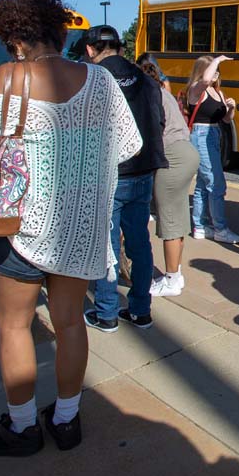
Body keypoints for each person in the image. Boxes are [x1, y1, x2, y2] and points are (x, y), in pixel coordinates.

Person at [0, 0, 141, 456]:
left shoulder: (9, 76)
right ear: (60, 33)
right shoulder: (100, 80)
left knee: (14, 327)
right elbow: (128, 145)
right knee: (69, 325)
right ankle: (66, 420)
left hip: (19, 226)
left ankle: (22, 428)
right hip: (81, 227)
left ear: (16, 40)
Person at [83, 25, 167, 332]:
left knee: (106, 245)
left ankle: (106, 312)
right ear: (120, 47)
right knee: (139, 243)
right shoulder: (146, 79)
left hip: (110, 173)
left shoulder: (92, 81)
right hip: (144, 170)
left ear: (91, 50)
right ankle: (140, 310)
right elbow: (160, 121)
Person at [136, 54, 200, 298]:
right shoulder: (163, 92)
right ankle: (177, 274)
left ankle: (171, 279)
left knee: (169, 222)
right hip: (186, 152)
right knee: (179, 216)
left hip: (171, 156)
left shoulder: (147, 96)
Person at [183, 55, 239, 244]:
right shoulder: (196, 89)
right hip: (201, 136)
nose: (216, 74)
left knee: (203, 183)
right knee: (217, 184)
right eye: (212, 70)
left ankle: (200, 226)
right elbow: (206, 79)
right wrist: (217, 60)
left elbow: (226, 120)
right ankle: (220, 229)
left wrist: (231, 108)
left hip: (215, 135)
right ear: (202, 72)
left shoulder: (217, 92)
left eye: (218, 71)